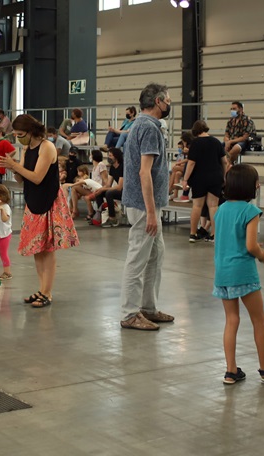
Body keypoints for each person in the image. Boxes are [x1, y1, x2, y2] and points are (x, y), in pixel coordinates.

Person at [213, 164, 264, 384]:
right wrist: (263, 255)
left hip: (222, 273)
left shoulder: (221, 210)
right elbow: (249, 246)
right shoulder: (250, 211)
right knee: (259, 320)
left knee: (231, 320)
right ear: (250, 186)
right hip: (243, 272)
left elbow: (224, 240)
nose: (258, 185)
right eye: (257, 182)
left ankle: (231, 371)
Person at [0, 114, 79, 308]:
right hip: (33, 201)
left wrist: (15, 165)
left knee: (48, 250)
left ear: (31, 131)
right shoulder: (28, 148)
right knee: (37, 249)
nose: (18, 138)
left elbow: (37, 177)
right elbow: (22, 179)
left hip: (49, 201)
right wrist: (14, 169)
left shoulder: (47, 147)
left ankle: (47, 292)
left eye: (20, 134)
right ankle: (41, 289)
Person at [114, 83, 176, 331]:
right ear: (159, 101)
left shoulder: (140, 125)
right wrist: (151, 212)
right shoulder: (149, 128)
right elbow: (144, 172)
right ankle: (130, 313)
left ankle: (148, 307)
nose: (170, 104)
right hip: (144, 207)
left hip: (148, 205)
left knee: (155, 255)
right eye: (168, 100)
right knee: (138, 258)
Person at [181, 120, 227, 242]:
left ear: (195, 131)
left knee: (197, 206)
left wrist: (185, 179)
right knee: (213, 206)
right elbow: (225, 161)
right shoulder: (216, 142)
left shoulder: (195, 143)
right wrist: (224, 176)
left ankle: (193, 234)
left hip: (199, 177)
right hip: (215, 177)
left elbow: (191, 163)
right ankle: (214, 234)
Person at [100, 148, 125, 228]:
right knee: (100, 193)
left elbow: (119, 187)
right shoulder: (112, 168)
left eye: (110, 155)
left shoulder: (122, 167)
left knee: (109, 193)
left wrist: (104, 189)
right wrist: (101, 189)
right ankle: (100, 215)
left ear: (116, 157)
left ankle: (112, 217)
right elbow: (108, 184)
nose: (108, 157)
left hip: (125, 191)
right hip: (119, 190)